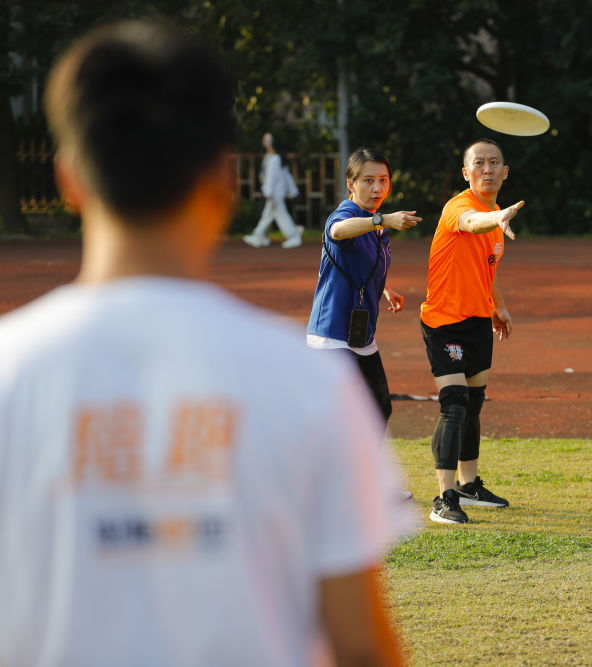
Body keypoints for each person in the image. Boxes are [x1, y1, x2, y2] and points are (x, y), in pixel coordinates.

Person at [0, 21, 409, 667]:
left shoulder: (8, 372)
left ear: (69, 179)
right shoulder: (309, 386)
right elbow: (358, 642)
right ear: (223, 179)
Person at [419, 138, 524, 524]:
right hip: (444, 321)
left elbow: (488, 267)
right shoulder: (461, 207)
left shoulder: (496, 215)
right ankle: (444, 498)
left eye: (494, 163)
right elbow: (469, 224)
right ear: (466, 172)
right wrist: (494, 220)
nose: (487, 169)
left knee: (474, 404)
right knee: (455, 404)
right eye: (479, 163)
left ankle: (468, 484)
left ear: (505, 171)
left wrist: (499, 306)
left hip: (478, 320)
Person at [306, 147, 421, 425]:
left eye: (383, 179)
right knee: (335, 418)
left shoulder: (375, 224)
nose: (377, 187)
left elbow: (362, 259)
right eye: (368, 180)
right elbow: (337, 231)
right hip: (331, 335)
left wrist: (384, 288)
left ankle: (350, 468)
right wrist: (381, 219)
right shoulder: (348, 214)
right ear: (351, 184)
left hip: (360, 336)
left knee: (379, 410)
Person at [242, 132, 304, 249]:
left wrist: (269, 193)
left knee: (280, 216)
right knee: (268, 215)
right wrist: (292, 191)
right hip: (276, 194)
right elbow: (285, 177)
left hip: (274, 194)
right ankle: (259, 236)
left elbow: (271, 178)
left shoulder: (274, 159)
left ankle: (293, 235)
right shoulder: (276, 158)